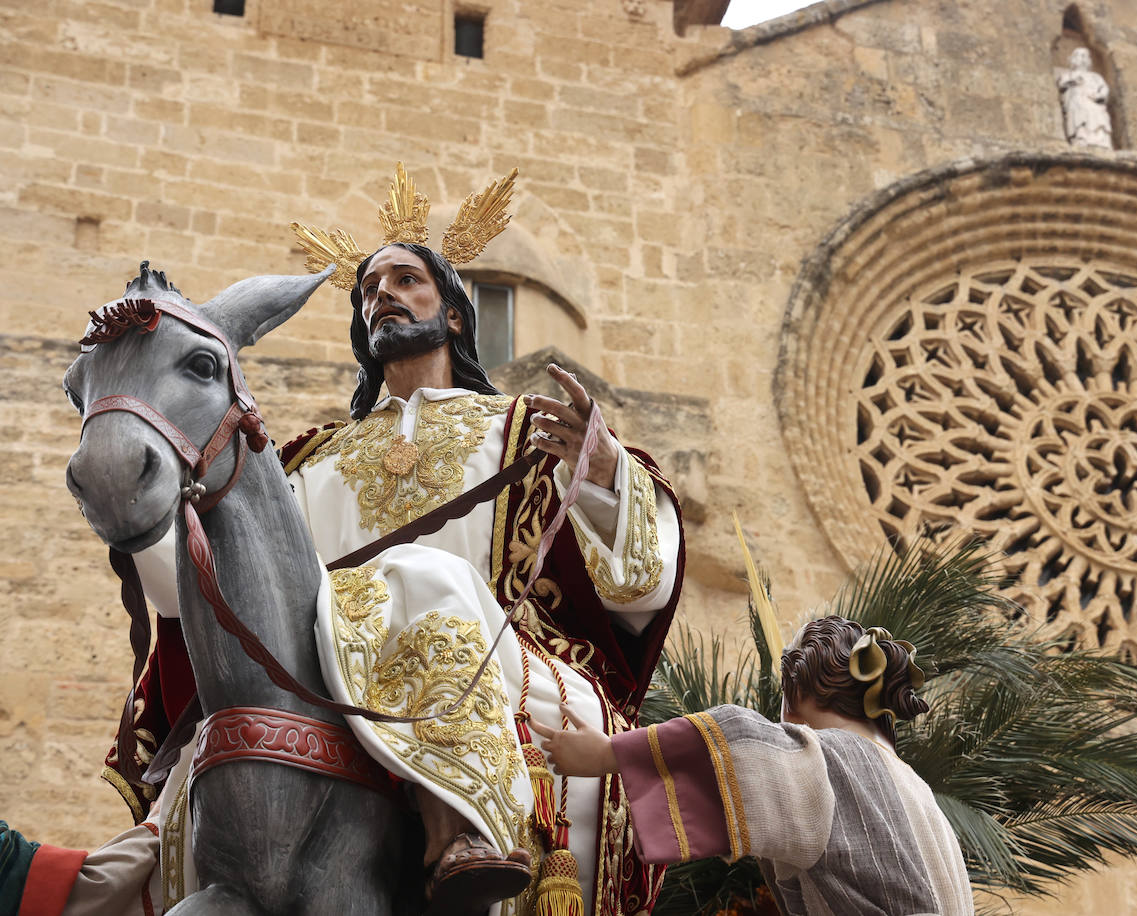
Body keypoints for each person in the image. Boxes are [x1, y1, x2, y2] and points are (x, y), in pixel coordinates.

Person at [91, 168, 684, 916]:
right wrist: (142, 493)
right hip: (318, 681)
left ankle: (469, 819)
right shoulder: (303, 459)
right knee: (185, 795)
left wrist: (601, 478)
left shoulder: (526, 430)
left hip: (501, 671)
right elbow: (199, 589)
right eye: (370, 289)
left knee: (420, 573)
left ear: (458, 316)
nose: (384, 296)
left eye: (407, 280)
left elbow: (641, 584)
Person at [531, 616, 976, 916]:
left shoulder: (836, 759)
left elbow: (738, 738)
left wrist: (610, 753)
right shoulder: (920, 792)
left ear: (798, 690)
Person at [1056, 47, 1113, 150]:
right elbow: (1062, 85)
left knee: (1098, 114)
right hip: (1077, 99)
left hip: (1093, 100)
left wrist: (1100, 95)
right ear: (1072, 59)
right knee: (1079, 112)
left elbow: (1104, 87)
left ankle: (1100, 140)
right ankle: (1081, 138)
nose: (1082, 58)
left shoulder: (1095, 76)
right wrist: (1074, 81)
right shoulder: (1068, 75)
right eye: (1079, 55)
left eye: (1085, 55)